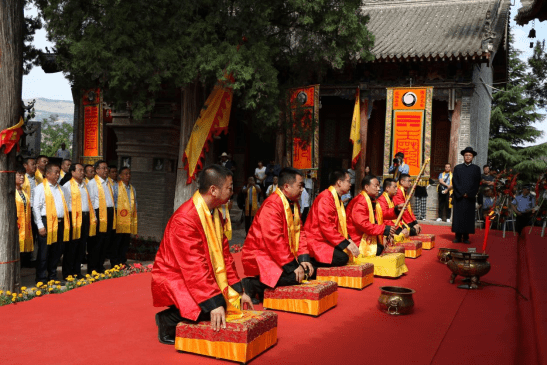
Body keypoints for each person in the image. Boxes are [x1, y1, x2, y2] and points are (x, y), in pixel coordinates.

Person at [152, 165, 253, 345]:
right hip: (177, 276)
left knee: (230, 304)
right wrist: (213, 303)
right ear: (213, 190)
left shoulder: (214, 213)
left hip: (199, 275)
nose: (232, 192)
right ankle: (168, 319)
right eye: (229, 188)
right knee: (213, 308)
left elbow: (225, 257)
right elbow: (193, 266)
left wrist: (238, 291)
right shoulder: (185, 219)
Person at [241, 168, 314, 303]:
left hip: (279, 255)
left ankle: (262, 287)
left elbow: (300, 232)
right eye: (300, 186)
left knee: (308, 270)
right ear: (286, 186)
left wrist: (303, 258)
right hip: (263, 255)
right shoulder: (272, 204)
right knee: (295, 277)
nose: (302, 189)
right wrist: (293, 266)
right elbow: (274, 240)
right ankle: (251, 284)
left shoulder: (293, 203)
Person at [303, 169, 360, 268]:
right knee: (343, 257)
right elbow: (327, 226)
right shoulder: (326, 198)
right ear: (339, 182)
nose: (350, 184)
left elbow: (338, 225)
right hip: (318, 240)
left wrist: (348, 240)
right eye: (348, 181)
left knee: (347, 254)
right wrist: (345, 243)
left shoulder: (336, 198)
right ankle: (311, 264)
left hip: (328, 239)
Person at [33, 163, 70, 284]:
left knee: (57, 251)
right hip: (46, 222)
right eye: (55, 172)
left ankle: (53, 276)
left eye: (59, 172)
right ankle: (41, 278)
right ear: (47, 174)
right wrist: (40, 225)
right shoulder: (40, 188)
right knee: (44, 251)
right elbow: (36, 208)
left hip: (60, 222)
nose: (58, 174)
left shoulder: (61, 188)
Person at [346, 176, 398, 257]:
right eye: (376, 186)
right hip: (357, 238)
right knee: (379, 249)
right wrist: (384, 230)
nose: (378, 189)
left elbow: (381, 215)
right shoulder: (360, 201)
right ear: (366, 187)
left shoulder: (373, 200)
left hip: (369, 234)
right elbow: (363, 224)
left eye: (379, 186)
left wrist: (396, 210)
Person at [62, 163, 97, 279]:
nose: (82, 172)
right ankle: (68, 273)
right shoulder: (67, 186)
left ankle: (77, 271)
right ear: (72, 172)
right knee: (72, 246)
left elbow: (90, 202)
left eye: (83, 171)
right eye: (80, 170)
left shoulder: (84, 185)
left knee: (82, 246)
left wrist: (94, 216)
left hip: (85, 217)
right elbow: (65, 205)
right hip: (74, 218)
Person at [86, 160, 116, 273]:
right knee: (96, 243)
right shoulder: (92, 183)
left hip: (108, 213)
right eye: (103, 168)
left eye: (106, 168)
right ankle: (93, 267)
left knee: (106, 241)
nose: (105, 170)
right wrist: (94, 217)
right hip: (99, 214)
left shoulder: (109, 183)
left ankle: (100, 265)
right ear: (97, 170)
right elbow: (91, 202)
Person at [451, 147, 481, 243]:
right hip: (459, 197)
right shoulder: (458, 168)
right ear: (463, 156)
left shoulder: (476, 169)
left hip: (470, 197)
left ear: (472, 157)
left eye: (470, 155)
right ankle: (458, 236)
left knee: (468, 217)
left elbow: (476, 183)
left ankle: (466, 237)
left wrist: (469, 193)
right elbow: (455, 181)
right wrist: (461, 193)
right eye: (466, 155)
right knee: (458, 217)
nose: (468, 157)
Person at [113, 167, 138, 267]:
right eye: (125, 174)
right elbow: (113, 202)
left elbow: (135, 203)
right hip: (119, 218)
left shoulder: (132, 188)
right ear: (120, 175)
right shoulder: (116, 187)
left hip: (128, 219)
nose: (128, 176)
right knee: (117, 241)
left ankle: (123, 261)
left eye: (129, 174)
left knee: (125, 242)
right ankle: (115, 262)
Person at [16, 166, 33, 254]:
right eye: (19, 175)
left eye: (23, 175)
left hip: (25, 223)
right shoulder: (10, 191)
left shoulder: (23, 192)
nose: (22, 177)